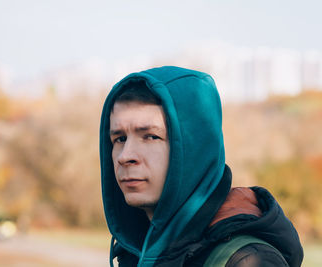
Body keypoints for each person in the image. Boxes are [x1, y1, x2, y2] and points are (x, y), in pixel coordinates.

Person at [99, 66, 303, 266]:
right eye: (120, 138)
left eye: (151, 136)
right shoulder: (136, 250)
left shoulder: (245, 261)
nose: (125, 156)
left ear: (194, 149)